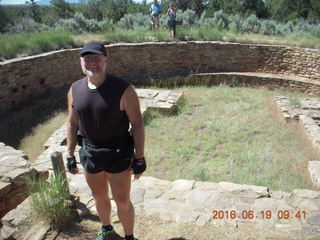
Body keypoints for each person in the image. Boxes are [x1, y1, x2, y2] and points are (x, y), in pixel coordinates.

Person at [66, 41, 146, 240]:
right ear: (81, 61)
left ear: (106, 60)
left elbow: (136, 124)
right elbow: (72, 123)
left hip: (118, 153)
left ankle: (129, 237)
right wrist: (69, 153)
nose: (92, 62)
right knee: (99, 196)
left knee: (123, 200)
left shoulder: (123, 89)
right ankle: (106, 228)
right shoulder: (74, 89)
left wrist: (139, 158)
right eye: (87, 58)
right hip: (90, 152)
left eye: (97, 58)